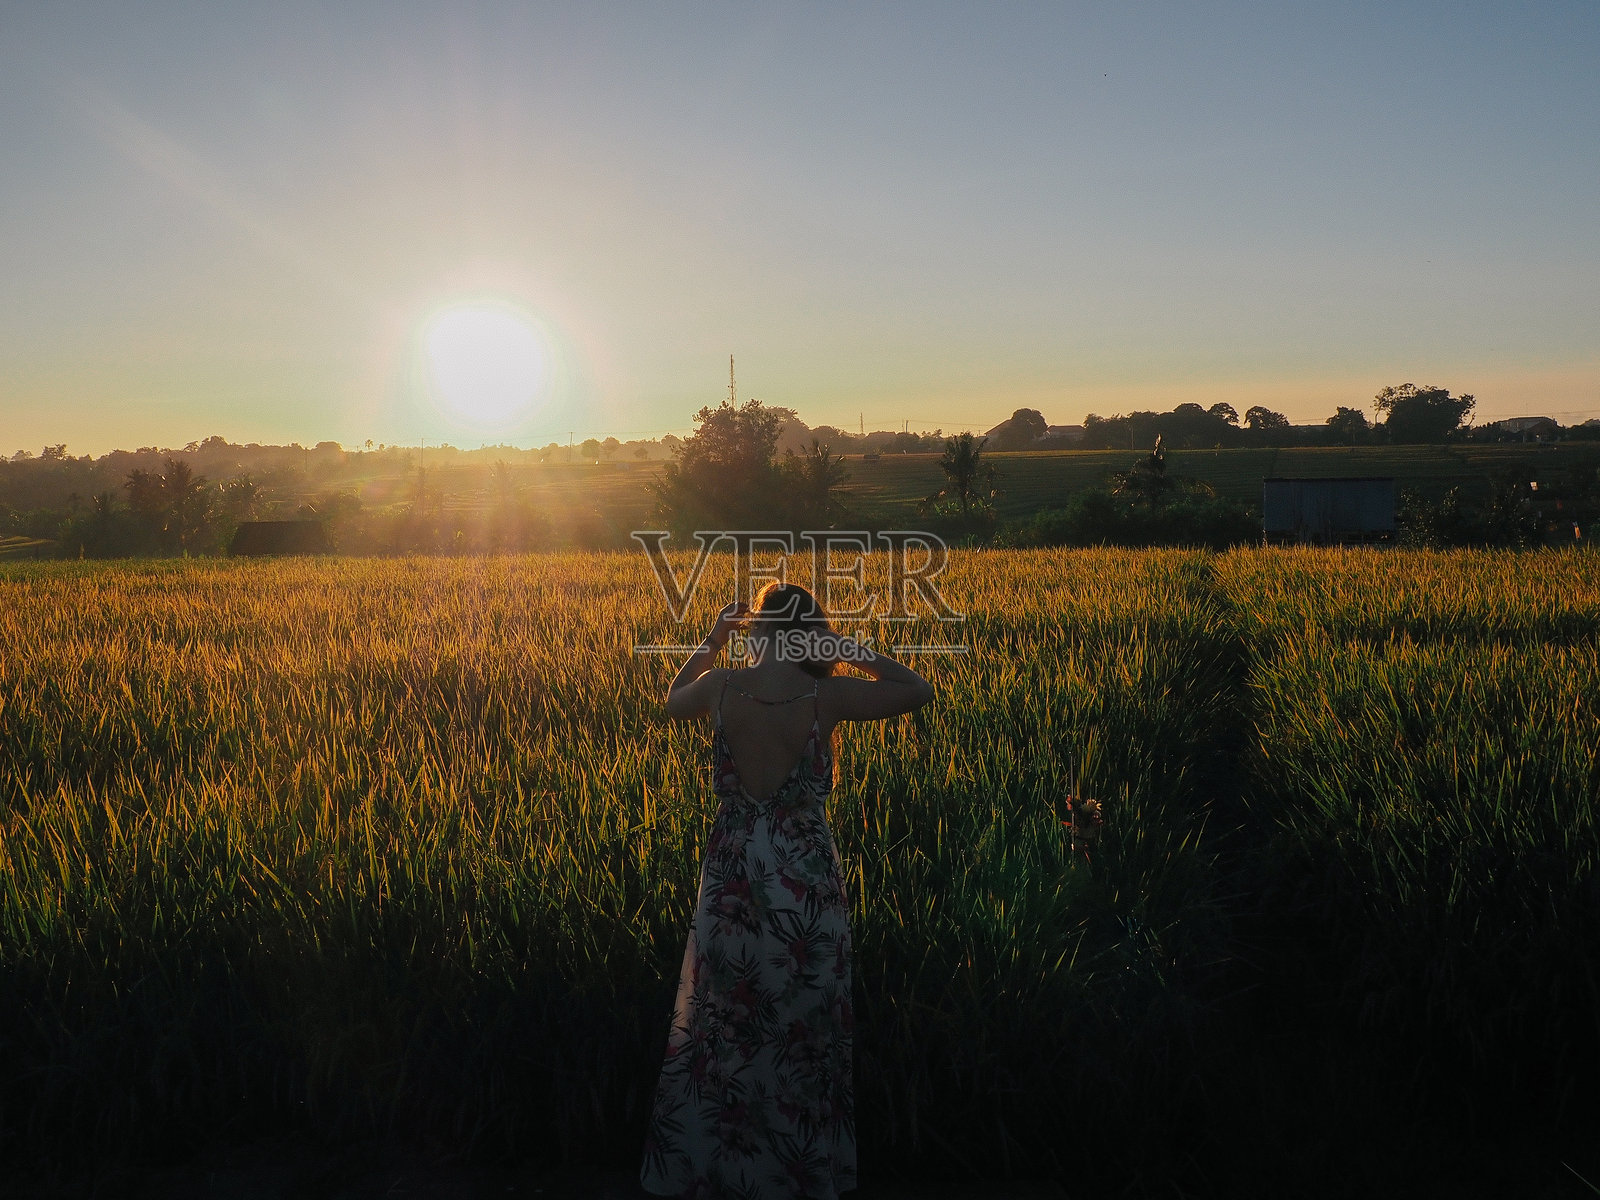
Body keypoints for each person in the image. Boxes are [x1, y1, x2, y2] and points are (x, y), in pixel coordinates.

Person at [640, 582, 934, 1200]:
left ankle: (727, 1175)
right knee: (804, 1031)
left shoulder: (721, 686)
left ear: (757, 629)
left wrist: (713, 638)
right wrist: (847, 646)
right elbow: (917, 689)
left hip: (732, 882)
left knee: (727, 1026)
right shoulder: (826, 693)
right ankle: (798, 1178)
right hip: (806, 886)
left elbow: (670, 701)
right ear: (809, 631)